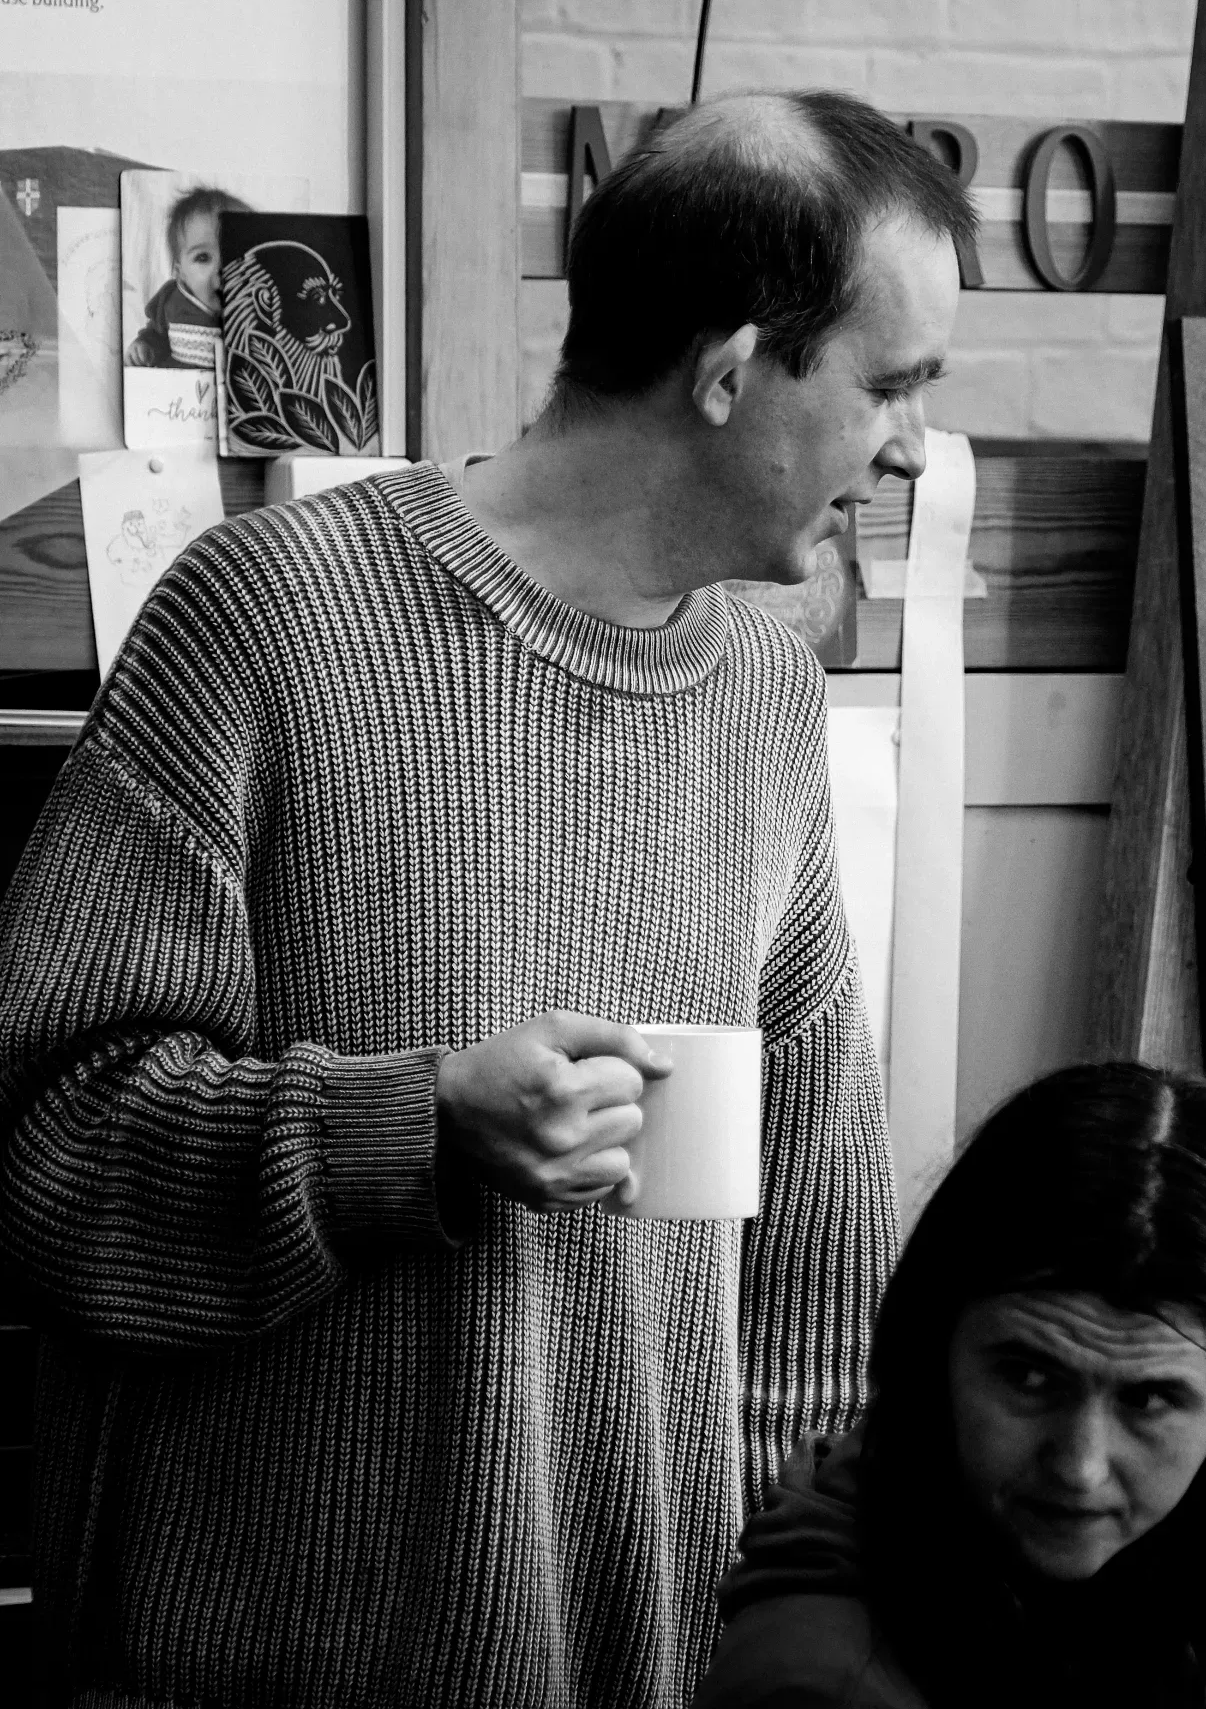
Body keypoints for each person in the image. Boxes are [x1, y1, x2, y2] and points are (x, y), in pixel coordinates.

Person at [0, 89, 972, 1707]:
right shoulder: (268, 624)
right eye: (892, 385)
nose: (913, 443)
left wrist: (779, 1638)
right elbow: (40, 1148)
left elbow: (800, 1253)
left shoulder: (765, 696)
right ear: (734, 372)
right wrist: (416, 1133)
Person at [694, 1060, 1206, 1709]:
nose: (1080, 1467)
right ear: (933, 1348)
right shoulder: (818, 1687)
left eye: (1148, 1399)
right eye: (1030, 1378)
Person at [126, 184, 248, 368]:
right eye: (203, 257)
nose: (222, 269)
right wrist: (145, 347)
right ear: (180, 272)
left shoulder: (255, 304)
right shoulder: (171, 301)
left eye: (235, 255)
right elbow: (157, 335)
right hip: (177, 390)